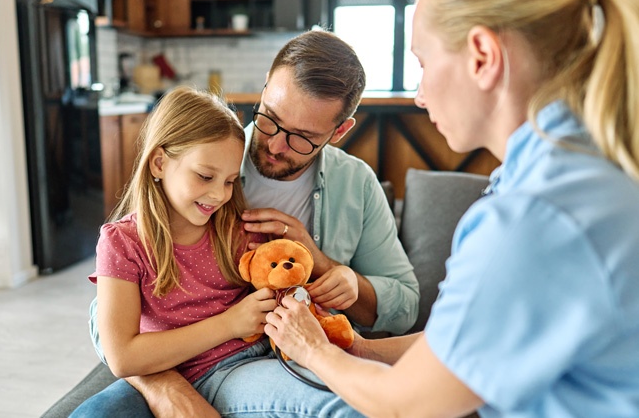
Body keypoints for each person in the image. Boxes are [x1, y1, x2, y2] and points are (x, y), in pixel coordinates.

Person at [265, 0, 639, 417]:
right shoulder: (579, 169)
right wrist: (360, 349)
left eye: (422, 63)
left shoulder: (532, 218)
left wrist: (312, 350)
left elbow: (406, 407)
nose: (420, 95)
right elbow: (471, 336)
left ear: (482, 56)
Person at [78, 30, 419, 416]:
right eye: (270, 119)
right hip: (191, 363)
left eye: (302, 138)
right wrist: (163, 383)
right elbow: (113, 323)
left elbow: (406, 306)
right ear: (264, 91)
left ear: (339, 132)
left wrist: (328, 268)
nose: (274, 145)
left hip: (265, 358)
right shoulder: (212, 154)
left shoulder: (355, 185)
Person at [70, 86, 282, 418]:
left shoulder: (236, 231)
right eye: (205, 176)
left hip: (238, 367)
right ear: (158, 163)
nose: (218, 194)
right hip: (157, 374)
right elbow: (122, 357)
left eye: (229, 181)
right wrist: (229, 324)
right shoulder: (122, 242)